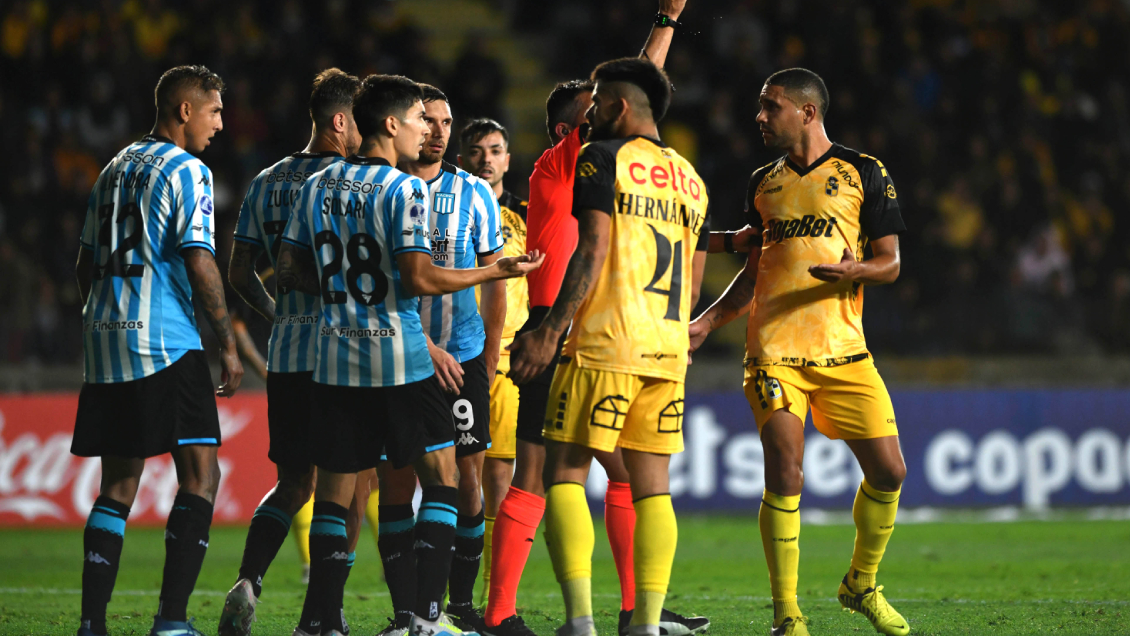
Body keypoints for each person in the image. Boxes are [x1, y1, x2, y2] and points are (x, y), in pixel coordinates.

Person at [276, 73, 542, 636]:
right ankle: (425, 617)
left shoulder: (315, 186)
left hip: (333, 358)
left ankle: (319, 621)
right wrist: (494, 270)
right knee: (442, 480)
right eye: (421, 120)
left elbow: (289, 270)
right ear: (392, 124)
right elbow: (418, 278)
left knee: (336, 492)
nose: (429, 130)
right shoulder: (405, 191)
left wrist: (342, 287)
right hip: (400, 356)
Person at [483, 4, 711, 635]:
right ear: (566, 128)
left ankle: (620, 611)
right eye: (585, 112)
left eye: (600, 105)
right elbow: (642, 91)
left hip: (596, 331)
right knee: (592, 475)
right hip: (606, 333)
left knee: (576, 472)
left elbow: (641, 92)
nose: (595, 115)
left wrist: (664, 24)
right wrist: (663, 25)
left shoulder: (608, 159)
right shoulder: (568, 161)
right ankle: (512, 611)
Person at [687, 68, 909, 636]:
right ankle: (788, 615)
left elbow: (891, 261)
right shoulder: (763, 183)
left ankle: (861, 582)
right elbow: (754, 269)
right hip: (774, 352)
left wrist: (854, 270)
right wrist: (708, 322)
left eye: (770, 107)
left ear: (807, 112)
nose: (759, 117)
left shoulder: (864, 172)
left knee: (890, 471)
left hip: (844, 351)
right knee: (785, 469)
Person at [71, 65, 242, 636]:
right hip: (165, 341)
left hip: (106, 343)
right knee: (200, 473)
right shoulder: (188, 170)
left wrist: (103, 318)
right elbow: (199, 257)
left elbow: (82, 265)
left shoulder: (113, 169)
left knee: (117, 483)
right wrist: (227, 342)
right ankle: (171, 621)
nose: (221, 124)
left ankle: (92, 624)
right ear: (184, 110)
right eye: (215, 111)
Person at [219, 68, 375, 636]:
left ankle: (249, 579)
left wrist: (279, 315)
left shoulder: (267, 180)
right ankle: (326, 615)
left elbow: (239, 273)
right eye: (361, 120)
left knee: (294, 483)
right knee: (349, 487)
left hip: (287, 355)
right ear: (340, 121)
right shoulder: (353, 181)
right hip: (343, 355)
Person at [367, 84, 505, 635]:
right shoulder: (386, 189)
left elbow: (496, 281)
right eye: (430, 120)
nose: (440, 131)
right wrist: (426, 345)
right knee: (398, 482)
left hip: (465, 356)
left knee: (467, 481)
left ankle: (458, 606)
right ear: (409, 125)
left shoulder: (475, 193)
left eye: (448, 122)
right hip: (400, 356)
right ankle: (408, 615)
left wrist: (489, 356)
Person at [455, 117, 527, 603]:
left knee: (497, 479)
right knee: (458, 480)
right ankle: (446, 598)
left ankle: (491, 600)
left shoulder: (528, 214)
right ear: (462, 159)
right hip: (454, 355)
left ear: (507, 159)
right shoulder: (448, 206)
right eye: (477, 150)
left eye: (496, 150)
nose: (487, 159)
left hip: (507, 362)